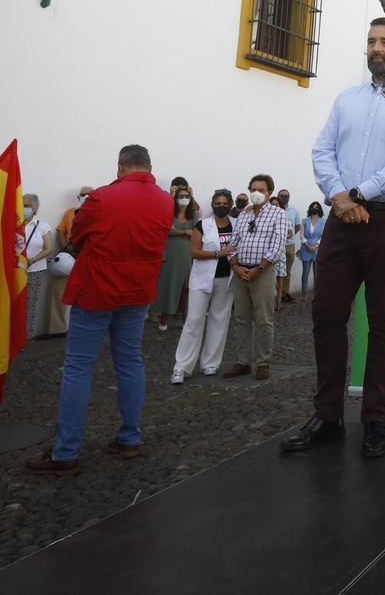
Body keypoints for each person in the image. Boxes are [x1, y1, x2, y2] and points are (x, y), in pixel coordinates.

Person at [283, 18, 385, 460]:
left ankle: (375, 419)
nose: (376, 48)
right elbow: (321, 152)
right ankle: (327, 415)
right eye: (371, 41)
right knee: (327, 313)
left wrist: (360, 193)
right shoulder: (345, 100)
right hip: (342, 221)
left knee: (384, 321)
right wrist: (339, 197)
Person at [25, 145, 173, 474]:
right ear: (149, 167)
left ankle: (66, 453)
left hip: (97, 290)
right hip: (137, 292)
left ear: (120, 167)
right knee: (131, 362)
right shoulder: (165, 200)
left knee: (78, 369)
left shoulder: (102, 198)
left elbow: (77, 234)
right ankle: (129, 438)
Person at [222, 174, 286, 381]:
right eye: (253, 189)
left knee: (264, 320)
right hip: (241, 272)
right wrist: (235, 264)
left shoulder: (278, 215)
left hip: (263, 273)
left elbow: (277, 248)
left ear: (269, 192)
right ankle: (243, 362)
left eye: (261, 190)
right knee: (241, 319)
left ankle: (263, 363)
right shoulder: (244, 216)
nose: (256, 193)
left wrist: (259, 268)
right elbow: (232, 243)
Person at [172, 189, 238, 384]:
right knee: (193, 322)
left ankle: (211, 363)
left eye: (225, 204)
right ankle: (182, 366)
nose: (221, 207)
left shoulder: (236, 225)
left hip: (226, 279)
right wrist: (219, 253)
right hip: (202, 280)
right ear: (212, 205)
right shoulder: (203, 225)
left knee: (220, 321)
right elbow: (194, 252)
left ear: (230, 205)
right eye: (218, 204)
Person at [45, 186, 93, 338]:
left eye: (89, 195)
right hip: (69, 259)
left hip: (89, 259)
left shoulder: (98, 214)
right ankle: (57, 329)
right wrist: (69, 248)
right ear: (79, 197)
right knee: (56, 290)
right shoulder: (70, 213)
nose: (85, 196)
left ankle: (89, 328)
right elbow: (60, 231)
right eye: (83, 194)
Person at [153, 179, 197, 332]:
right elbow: (166, 229)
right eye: (181, 196)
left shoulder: (194, 214)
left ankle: (185, 319)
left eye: (187, 196)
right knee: (168, 285)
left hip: (186, 255)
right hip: (170, 254)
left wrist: (176, 231)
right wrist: (185, 232)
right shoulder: (169, 212)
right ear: (176, 198)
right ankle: (164, 319)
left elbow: (196, 231)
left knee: (186, 287)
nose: (184, 198)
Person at [20, 193, 55, 338]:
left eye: (27, 206)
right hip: (11, 270)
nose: (23, 208)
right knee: (2, 305)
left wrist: (33, 259)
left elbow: (48, 248)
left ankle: (22, 337)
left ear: (35, 208)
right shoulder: (12, 224)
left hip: (33, 270)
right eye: (21, 205)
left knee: (28, 306)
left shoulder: (42, 227)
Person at [277, 189, 300, 306]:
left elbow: (297, 226)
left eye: (287, 196)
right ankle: (275, 295)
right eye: (282, 196)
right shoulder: (274, 209)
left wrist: (287, 237)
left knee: (287, 271)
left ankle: (284, 293)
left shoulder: (294, 211)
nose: (285, 197)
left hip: (289, 244)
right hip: (275, 246)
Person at [297, 201, 324, 298]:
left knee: (317, 272)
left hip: (317, 249)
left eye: (316, 207)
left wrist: (316, 245)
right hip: (306, 248)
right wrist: (307, 245)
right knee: (306, 271)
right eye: (313, 207)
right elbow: (302, 235)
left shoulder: (323, 221)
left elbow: (323, 236)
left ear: (319, 209)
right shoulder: (304, 221)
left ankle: (316, 292)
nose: (314, 208)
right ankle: (304, 292)